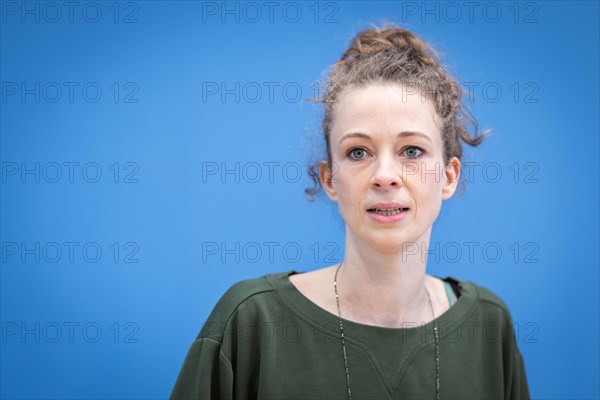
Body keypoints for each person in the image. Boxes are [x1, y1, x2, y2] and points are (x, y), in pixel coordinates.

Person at [170, 23, 531, 400]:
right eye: (358, 152)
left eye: (412, 151)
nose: (385, 176)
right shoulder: (252, 322)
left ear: (448, 176)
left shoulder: (490, 324)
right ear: (329, 179)